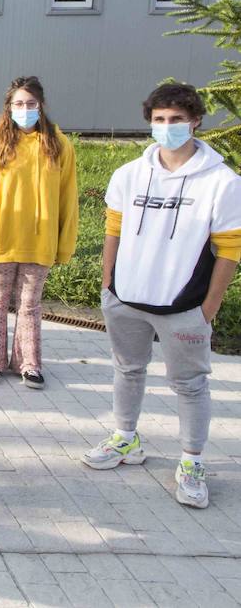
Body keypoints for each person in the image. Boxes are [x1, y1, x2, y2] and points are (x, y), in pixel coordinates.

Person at [81, 83, 241, 510]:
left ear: (195, 122)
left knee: (189, 385)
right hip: (126, 299)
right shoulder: (130, 174)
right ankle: (126, 439)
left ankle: (192, 462)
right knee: (127, 369)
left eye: (176, 120)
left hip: (184, 307)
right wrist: (107, 283)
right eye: (159, 120)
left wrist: (208, 308)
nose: (167, 128)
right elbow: (113, 229)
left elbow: (229, 250)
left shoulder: (222, 182)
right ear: (150, 122)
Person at [0, 76, 78, 389]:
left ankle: (28, 363)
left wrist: (63, 243)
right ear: (9, 107)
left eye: (31, 104)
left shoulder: (58, 144)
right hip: (2, 239)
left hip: (40, 241)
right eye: (19, 103)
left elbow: (68, 198)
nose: (25, 109)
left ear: (41, 106)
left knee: (30, 304)